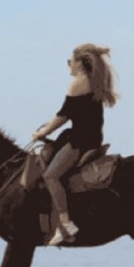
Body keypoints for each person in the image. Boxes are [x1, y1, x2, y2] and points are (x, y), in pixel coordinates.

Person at [31, 43, 118, 246]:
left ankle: (65, 223)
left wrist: (42, 132)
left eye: (70, 61)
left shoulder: (78, 83)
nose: (68, 65)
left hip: (80, 141)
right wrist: (48, 127)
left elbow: (63, 115)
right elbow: (72, 113)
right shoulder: (92, 81)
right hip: (90, 136)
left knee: (51, 176)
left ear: (79, 63)